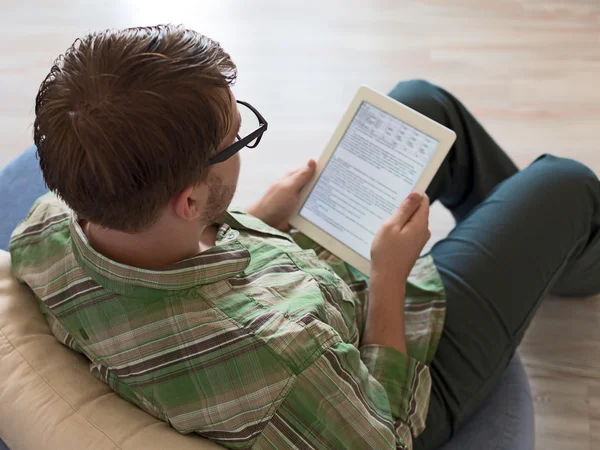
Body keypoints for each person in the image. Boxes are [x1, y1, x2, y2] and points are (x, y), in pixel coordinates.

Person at [8, 24, 600, 450]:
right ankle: (578, 264)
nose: (244, 143)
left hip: (304, 289)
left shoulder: (44, 231)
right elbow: (383, 432)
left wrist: (261, 219)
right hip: (394, 384)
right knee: (565, 184)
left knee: (422, 106)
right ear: (187, 201)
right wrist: (390, 275)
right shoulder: (277, 359)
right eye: (239, 139)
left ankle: (543, 246)